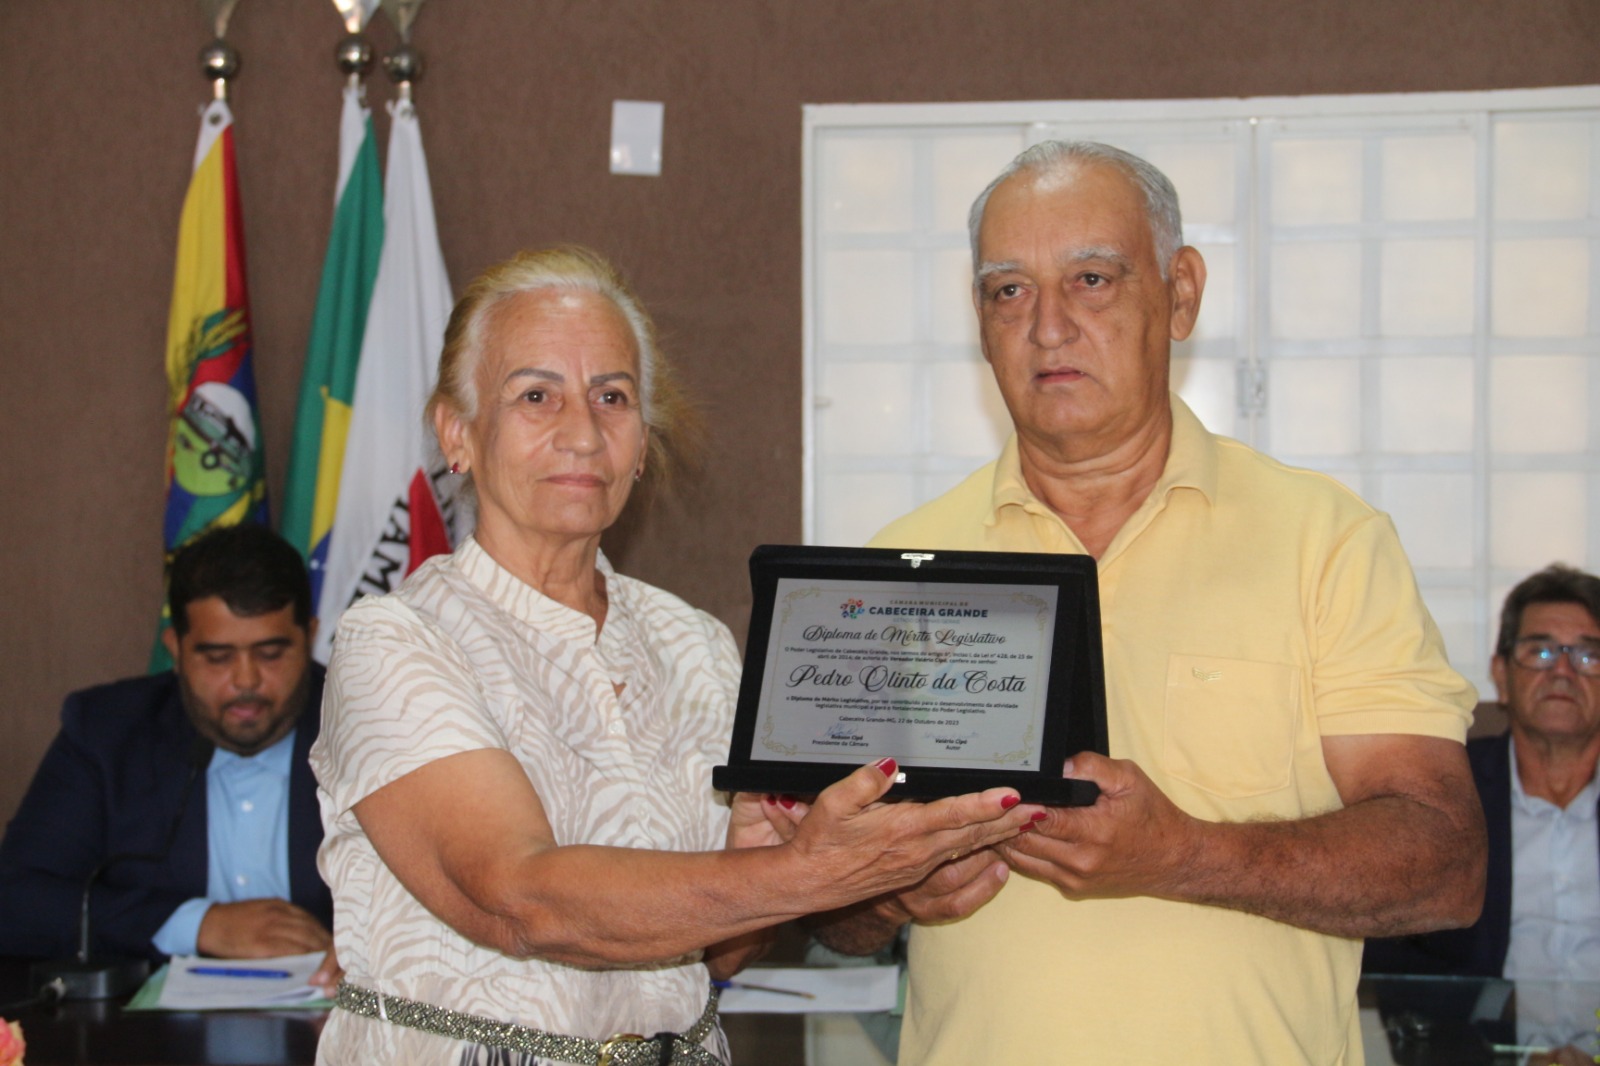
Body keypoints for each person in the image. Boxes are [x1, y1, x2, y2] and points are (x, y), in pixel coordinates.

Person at [806, 141, 1487, 1065]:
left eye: (1091, 279)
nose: (1048, 328)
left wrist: (1184, 855)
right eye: (1009, 291)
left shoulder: (1326, 541)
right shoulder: (900, 569)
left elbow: (1446, 866)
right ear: (980, 318)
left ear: (1182, 292)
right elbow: (836, 919)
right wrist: (890, 892)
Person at [309, 246, 1042, 1065]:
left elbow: (718, 952)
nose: (582, 433)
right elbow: (522, 900)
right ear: (458, 433)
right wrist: (808, 873)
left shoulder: (694, 643)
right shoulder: (395, 640)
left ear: (642, 442)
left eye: (612, 397)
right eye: (536, 395)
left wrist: (778, 862)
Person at [0, 524, 333, 966]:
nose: (246, 680)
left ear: (309, 636)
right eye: (217, 657)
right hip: (149, 1011)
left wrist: (369, 955)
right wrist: (198, 925)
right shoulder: (108, 734)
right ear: (176, 649)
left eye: (270, 654)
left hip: (347, 1003)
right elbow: (16, 900)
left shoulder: (376, 730)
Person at [1366, 565, 1599, 1040]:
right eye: (1540, 651)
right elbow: (1384, 945)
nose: (1562, 671)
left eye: (1588, 655)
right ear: (1500, 675)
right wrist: (1503, 1019)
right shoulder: (1443, 789)